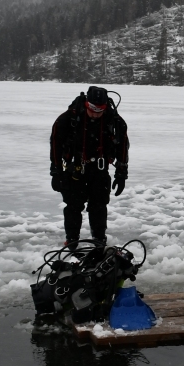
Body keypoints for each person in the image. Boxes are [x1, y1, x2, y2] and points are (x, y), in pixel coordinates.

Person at [50, 86, 128, 249]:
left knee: (99, 207)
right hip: (74, 170)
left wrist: (121, 174)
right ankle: (72, 240)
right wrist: (56, 172)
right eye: (92, 108)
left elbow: (122, 147)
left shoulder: (115, 121)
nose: (95, 113)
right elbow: (55, 144)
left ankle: (99, 240)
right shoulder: (67, 119)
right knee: (73, 206)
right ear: (86, 103)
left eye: (100, 109)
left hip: (99, 170)